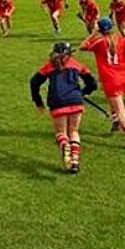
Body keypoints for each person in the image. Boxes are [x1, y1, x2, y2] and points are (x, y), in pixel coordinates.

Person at [30, 42, 98, 172]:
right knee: (74, 131)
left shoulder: (49, 65)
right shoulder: (76, 63)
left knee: (61, 133)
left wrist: (38, 101)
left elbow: (34, 82)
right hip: (76, 100)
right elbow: (93, 83)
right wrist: (82, 92)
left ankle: (64, 145)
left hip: (57, 102)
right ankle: (74, 162)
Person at [79, 18, 125, 149]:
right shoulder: (122, 40)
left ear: (100, 29)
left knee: (120, 110)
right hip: (123, 77)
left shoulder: (99, 42)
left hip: (111, 79)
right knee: (111, 99)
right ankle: (115, 120)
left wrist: (93, 33)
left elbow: (82, 46)